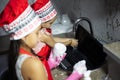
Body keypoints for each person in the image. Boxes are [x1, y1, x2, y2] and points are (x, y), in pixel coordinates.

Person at [0, 0, 65, 80]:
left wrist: (50, 64)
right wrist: (74, 77)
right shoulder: (33, 64)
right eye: (37, 33)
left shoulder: (18, 53)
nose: (40, 36)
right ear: (24, 36)